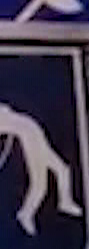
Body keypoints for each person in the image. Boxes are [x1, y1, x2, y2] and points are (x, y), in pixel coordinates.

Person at [0, 101, 83, 236]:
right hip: (31, 139)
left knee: (62, 170)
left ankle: (65, 202)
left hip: (36, 134)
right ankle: (26, 213)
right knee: (40, 184)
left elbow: (6, 110)